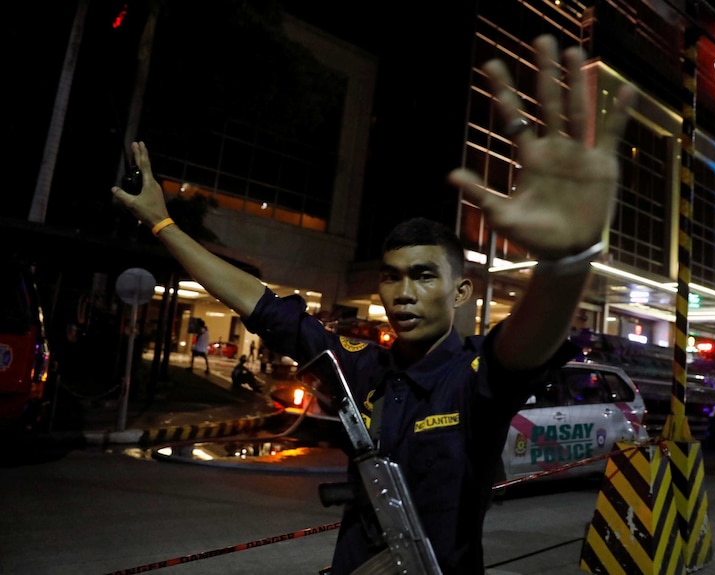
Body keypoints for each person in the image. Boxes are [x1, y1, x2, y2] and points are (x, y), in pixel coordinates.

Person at [111, 34, 634, 574]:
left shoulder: (473, 378)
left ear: (461, 292)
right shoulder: (358, 368)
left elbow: (525, 343)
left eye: (424, 276)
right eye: (391, 277)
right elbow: (260, 303)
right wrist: (163, 223)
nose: (402, 292)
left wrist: (570, 259)